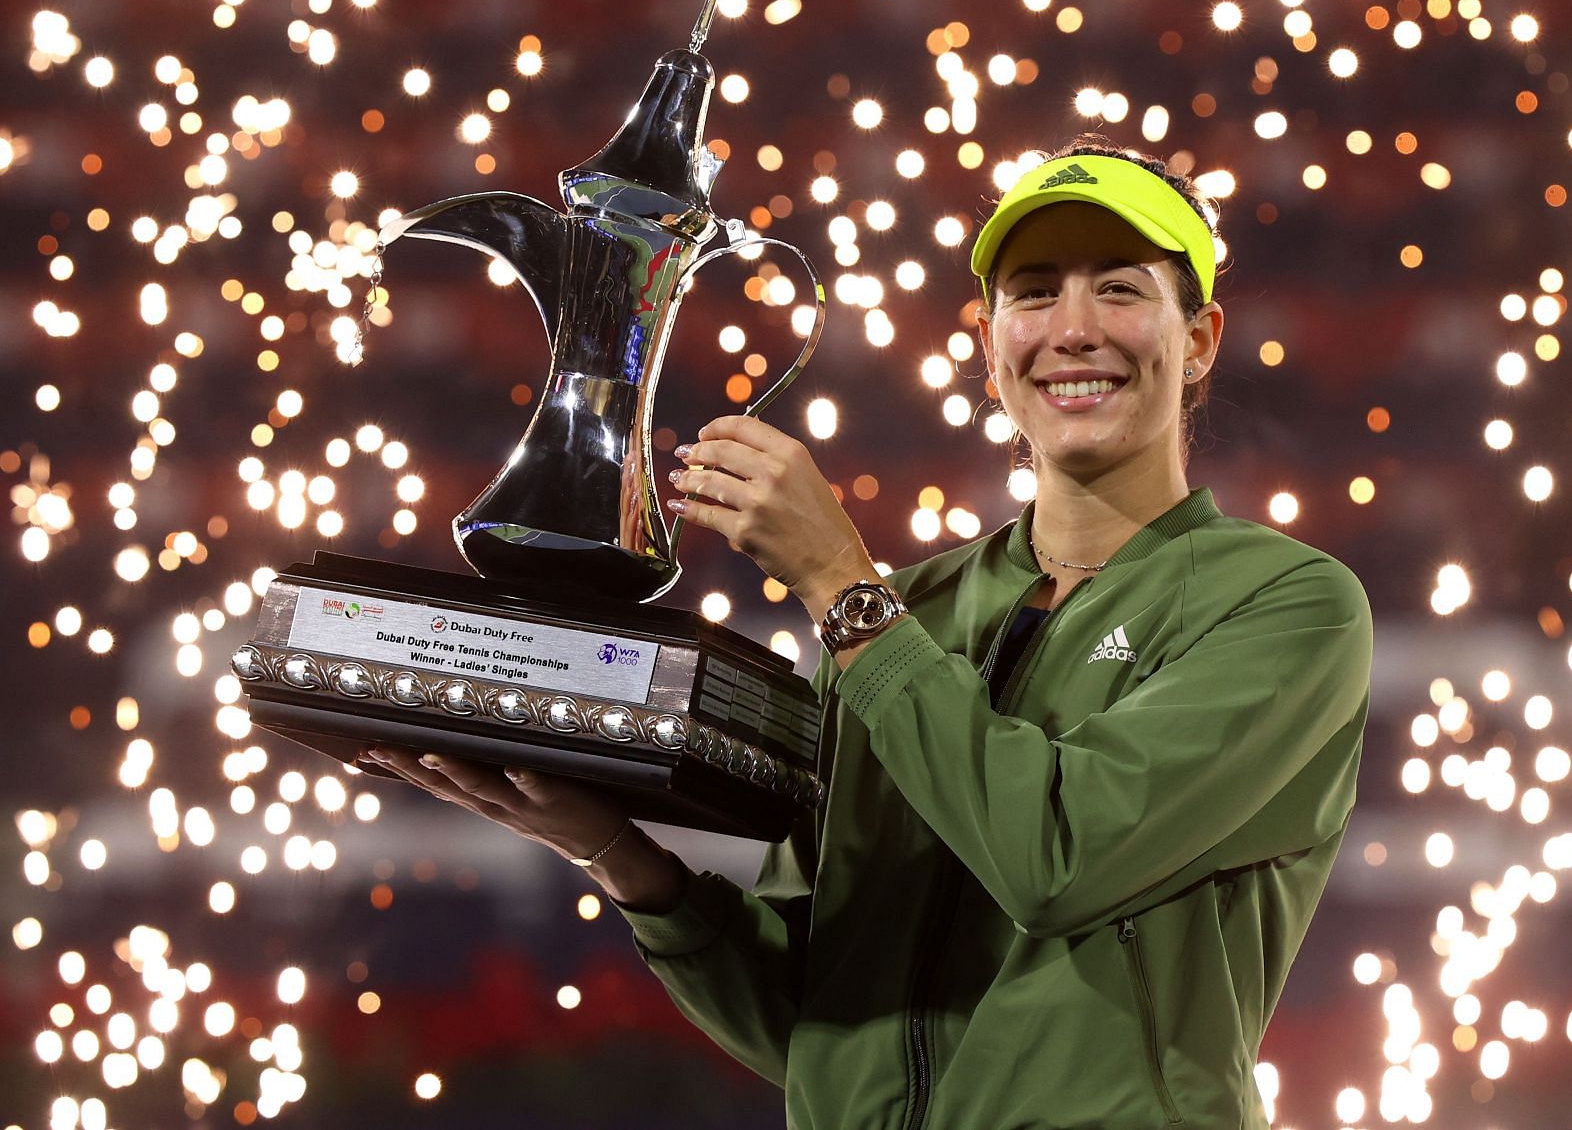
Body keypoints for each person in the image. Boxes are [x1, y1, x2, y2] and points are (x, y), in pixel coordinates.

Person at [364, 133, 1375, 1129]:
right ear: (990, 345)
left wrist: (842, 587)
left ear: (1196, 341)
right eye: (1033, 293)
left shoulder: (1284, 605)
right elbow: (825, 1026)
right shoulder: (907, 615)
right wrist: (621, 859)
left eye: (1119, 288)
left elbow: (1058, 861)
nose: (1073, 329)